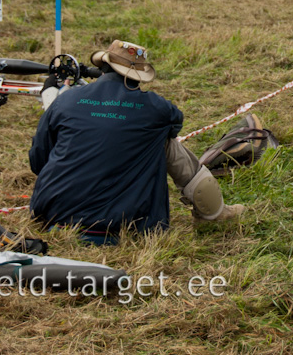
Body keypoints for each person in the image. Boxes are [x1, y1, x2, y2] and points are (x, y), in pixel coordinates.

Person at [29, 40, 244, 244]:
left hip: (52, 217)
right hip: (121, 225)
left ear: (103, 66)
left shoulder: (66, 100)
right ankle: (212, 212)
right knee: (163, 141)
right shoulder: (155, 109)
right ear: (139, 75)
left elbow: (38, 161)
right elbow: (175, 125)